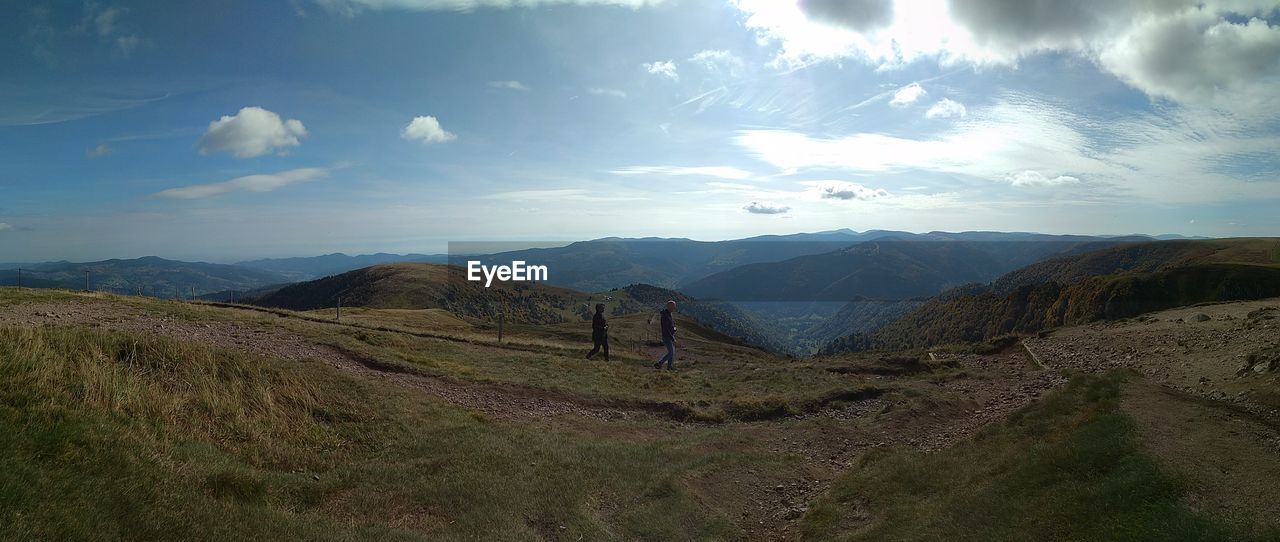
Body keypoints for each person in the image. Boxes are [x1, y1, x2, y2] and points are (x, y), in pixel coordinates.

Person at [654, 300, 677, 370]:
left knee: (672, 352)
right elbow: (666, 328)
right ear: (669, 306)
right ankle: (659, 363)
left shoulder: (668, 313)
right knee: (671, 353)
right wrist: (672, 338)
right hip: (667, 336)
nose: (674, 308)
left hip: (668, 336)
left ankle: (669, 367)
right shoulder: (665, 315)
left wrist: (674, 329)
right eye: (673, 306)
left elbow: (669, 326)